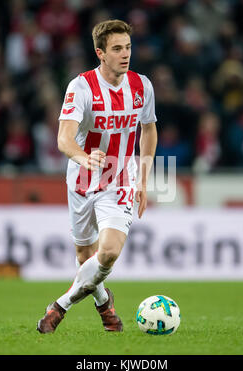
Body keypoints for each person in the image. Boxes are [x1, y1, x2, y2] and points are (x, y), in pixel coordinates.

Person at [37, 19, 157, 333]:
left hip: (120, 179)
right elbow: (64, 138)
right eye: (117, 48)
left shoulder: (142, 86)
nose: (125, 54)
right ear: (100, 53)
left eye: (128, 47)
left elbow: (149, 129)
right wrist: (83, 157)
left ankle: (59, 307)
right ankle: (104, 303)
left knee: (109, 252)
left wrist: (142, 179)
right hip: (81, 179)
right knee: (85, 254)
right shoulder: (81, 87)